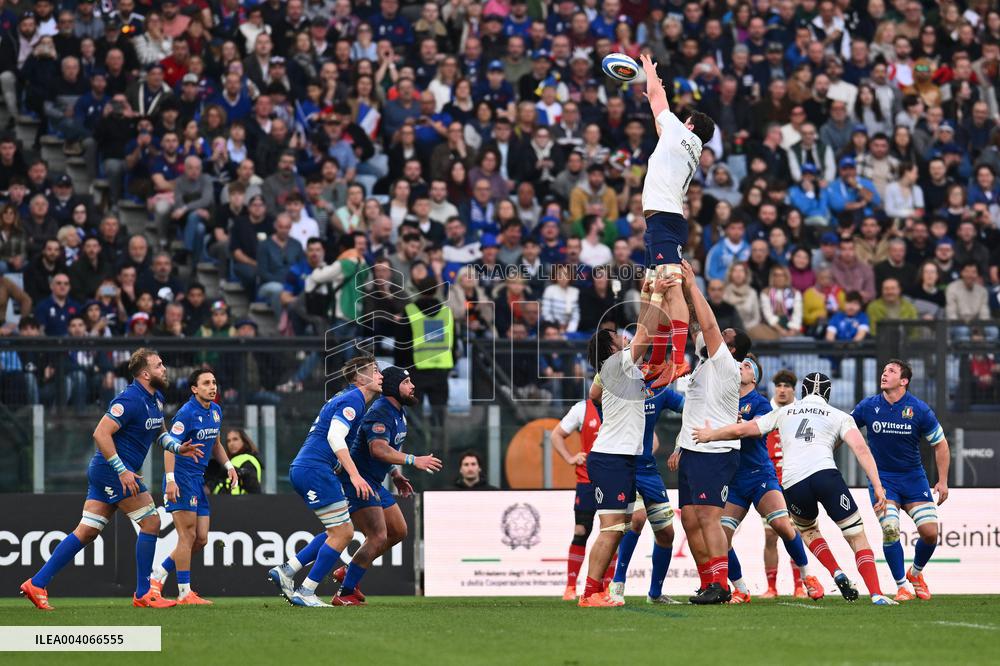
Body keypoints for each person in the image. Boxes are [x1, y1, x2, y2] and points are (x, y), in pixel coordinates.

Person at [20, 349, 203, 610]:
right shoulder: (129, 399)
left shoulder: (156, 398)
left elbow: (160, 434)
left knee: (87, 531)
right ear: (145, 373)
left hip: (109, 472)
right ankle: (144, 593)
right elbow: (100, 433)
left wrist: (178, 447)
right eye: (159, 365)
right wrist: (121, 470)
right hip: (113, 472)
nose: (164, 369)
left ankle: (37, 583)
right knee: (151, 522)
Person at [694, 372, 898, 606]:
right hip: (825, 476)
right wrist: (878, 486)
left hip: (793, 483)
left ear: (803, 391)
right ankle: (876, 593)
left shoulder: (784, 411)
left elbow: (743, 430)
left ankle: (835, 571)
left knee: (809, 531)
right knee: (855, 535)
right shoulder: (839, 415)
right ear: (827, 394)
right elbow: (861, 449)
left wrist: (710, 435)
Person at [577, 273, 673, 607]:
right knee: (611, 529)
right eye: (616, 336)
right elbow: (645, 334)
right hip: (612, 458)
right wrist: (656, 295)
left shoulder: (617, 368)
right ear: (610, 347)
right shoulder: (618, 363)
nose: (622, 336)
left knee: (618, 528)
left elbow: (594, 394)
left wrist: (646, 296)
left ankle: (598, 590)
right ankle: (590, 594)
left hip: (620, 457)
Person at [716, 354, 840, 604]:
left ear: (754, 377)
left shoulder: (760, 403)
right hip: (735, 481)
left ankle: (807, 576)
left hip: (760, 476)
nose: (740, 368)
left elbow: (756, 429)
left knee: (782, 526)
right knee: (721, 536)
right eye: (739, 365)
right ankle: (740, 588)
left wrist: (739, 424)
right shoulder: (724, 401)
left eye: (746, 366)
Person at [266, 355, 379, 607]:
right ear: (360, 378)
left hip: (309, 468)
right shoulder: (353, 400)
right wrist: (355, 475)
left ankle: (287, 570)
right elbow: (335, 438)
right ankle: (306, 591)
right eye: (375, 370)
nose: (380, 375)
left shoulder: (346, 397)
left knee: (335, 531)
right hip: (315, 470)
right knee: (344, 532)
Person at [670, 260, 750, 605]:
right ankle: (707, 583)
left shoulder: (726, 364)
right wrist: (676, 290)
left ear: (731, 349)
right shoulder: (706, 362)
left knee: (708, 517)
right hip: (693, 449)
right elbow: (693, 324)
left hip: (715, 452)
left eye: (726, 335)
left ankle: (721, 584)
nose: (720, 333)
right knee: (690, 519)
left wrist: (692, 284)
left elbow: (708, 324)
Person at [330, 367, 443, 605]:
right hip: (359, 480)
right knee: (378, 536)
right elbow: (378, 449)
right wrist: (413, 460)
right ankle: (345, 592)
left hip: (375, 480)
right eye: (406, 382)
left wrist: (394, 473)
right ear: (392, 386)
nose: (412, 386)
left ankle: (348, 571)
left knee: (398, 531)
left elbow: (386, 450)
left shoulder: (398, 411)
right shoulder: (381, 411)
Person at [637, 53, 716, 389]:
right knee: (650, 291)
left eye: (684, 120)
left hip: (664, 220)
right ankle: (656, 360)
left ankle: (677, 358)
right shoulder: (687, 144)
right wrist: (656, 93)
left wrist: (649, 73)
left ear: (690, 125)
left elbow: (659, 103)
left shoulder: (679, 133)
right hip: (663, 220)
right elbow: (661, 117)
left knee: (670, 289)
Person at [850, 359, 951, 602]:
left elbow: (940, 444)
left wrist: (943, 481)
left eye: (891, 371)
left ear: (903, 381)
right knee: (890, 530)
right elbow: (845, 430)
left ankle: (914, 574)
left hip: (914, 478)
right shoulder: (868, 406)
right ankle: (902, 585)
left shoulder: (919, 409)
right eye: (884, 370)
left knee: (930, 534)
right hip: (883, 480)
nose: (884, 374)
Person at [149, 369, 237, 604]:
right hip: (182, 478)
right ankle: (184, 592)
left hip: (198, 479)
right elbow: (169, 447)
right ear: (194, 389)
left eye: (214, 382)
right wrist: (170, 480)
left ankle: (158, 574)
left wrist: (229, 465)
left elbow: (215, 443)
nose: (212, 387)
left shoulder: (216, 411)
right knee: (187, 536)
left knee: (201, 539)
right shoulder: (186, 413)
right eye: (206, 383)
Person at [606, 382, 685, 605]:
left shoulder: (660, 391)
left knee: (666, 533)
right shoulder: (619, 385)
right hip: (624, 467)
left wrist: (679, 445)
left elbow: (692, 409)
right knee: (636, 519)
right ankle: (617, 583)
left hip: (649, 470)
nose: (642, 365)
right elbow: (595, 395)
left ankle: (655, 594)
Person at [550, 397, 606, 600]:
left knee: (612, 531)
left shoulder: (623, 404)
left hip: (614, 479)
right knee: (581, 530)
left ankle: (607, 588)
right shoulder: (582, 408)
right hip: (586, 479)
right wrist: (570, 458)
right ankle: (571, 587)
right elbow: (556, 435)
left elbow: (651, 439)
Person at [761, 370, 806, 599]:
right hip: (771, 484)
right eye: (778, 385)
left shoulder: (801, 412)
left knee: (794, 533)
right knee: (770, 536)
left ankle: (800, 585)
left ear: (794, 390)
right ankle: (771, 587)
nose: (782, 389)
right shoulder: (764, 411)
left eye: (786, 386)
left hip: (795, 481)